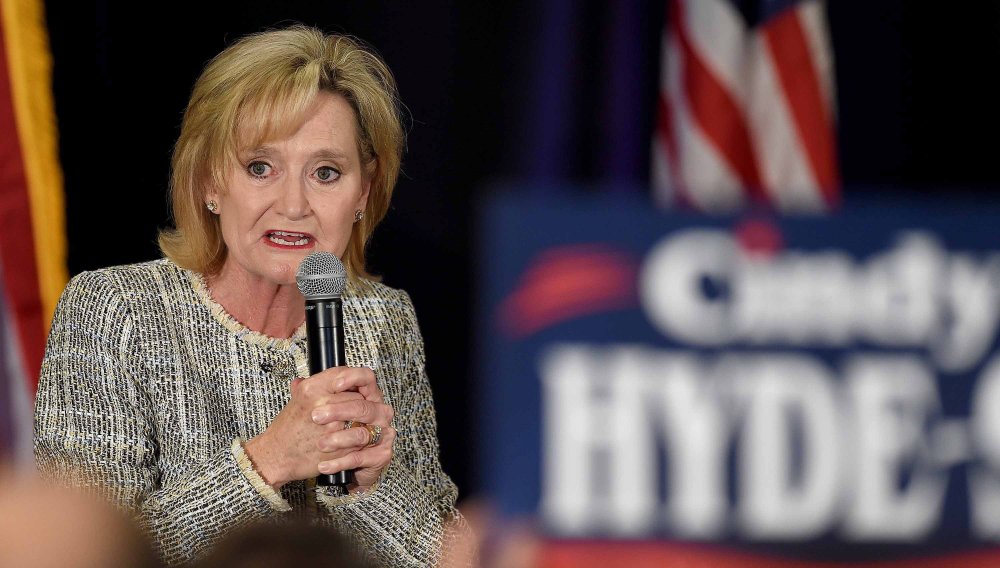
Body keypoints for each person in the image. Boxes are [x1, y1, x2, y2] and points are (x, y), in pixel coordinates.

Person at [34, 25, 470, 567]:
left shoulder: (383, 320)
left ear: (363, 192)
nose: (293, 204)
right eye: (260, 168)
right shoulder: (115, 309)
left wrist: (374, 486)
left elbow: (454, 558)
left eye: (326, 173)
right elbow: (80, 554)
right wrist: (264, 464)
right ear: (210, 182)